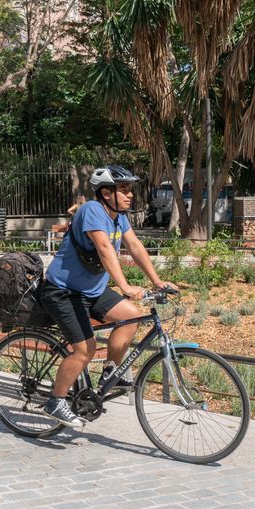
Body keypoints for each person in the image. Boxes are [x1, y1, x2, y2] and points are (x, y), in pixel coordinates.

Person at [37, 165, 177, 428]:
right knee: (84, 349)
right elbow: (103, 248)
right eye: (123, 190)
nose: (129, 195)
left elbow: (134, 245)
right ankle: (55, 401)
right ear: (105, 193)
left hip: (92, 291)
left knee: (131, 316)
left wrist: (156, 281)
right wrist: (124, 285)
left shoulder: (118, 216)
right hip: (62, 291)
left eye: (129, 190)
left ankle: (111, 371)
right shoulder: (92, 211)